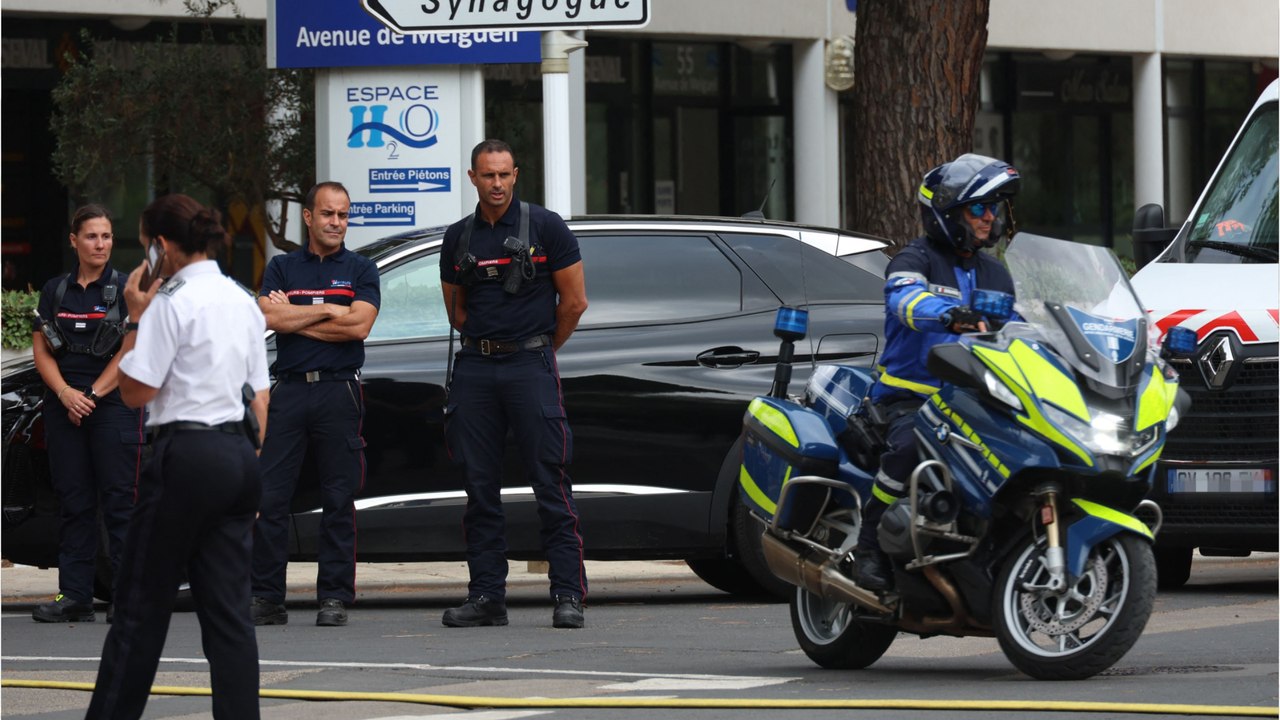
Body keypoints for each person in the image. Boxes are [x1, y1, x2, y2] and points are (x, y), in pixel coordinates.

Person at [86, 194, 269, 719]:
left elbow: (136, 392)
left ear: (160, 245)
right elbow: (260, 396)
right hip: (238, 453)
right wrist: (250, 460)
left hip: (186, 453)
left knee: (140, 608)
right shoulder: (241, 298)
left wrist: (136, 318)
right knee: (230, 616)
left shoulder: (171, 299)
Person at [438, 139, 589, 629]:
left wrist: (540, 349)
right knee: (479, 489)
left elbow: (574, 303)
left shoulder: (546, 227)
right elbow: (457, 312)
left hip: (530, 366)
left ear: (516, 174)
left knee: (550, 482)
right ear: (473, 178)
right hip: (477, 370)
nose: (496, 184)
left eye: (504, 175)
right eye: (487, 175)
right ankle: (486, 596)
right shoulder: (458, 237)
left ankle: (568, 594)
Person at [854, 153, 1021, 591]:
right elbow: (904, 301)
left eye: (994, 208)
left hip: (974, 402)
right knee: (910, 446)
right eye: (979, 208)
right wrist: (948, 315)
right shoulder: (915, 259)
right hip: (912, 398)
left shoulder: (996, 274)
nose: (990, 218)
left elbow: (1022, 325)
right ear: (947, 213)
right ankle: (868, 548)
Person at [250, 181, 380, 628]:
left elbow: (359, 328)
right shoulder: (282, 266)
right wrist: (331, 311)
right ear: (309, 217)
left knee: (338, 498)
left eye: (343, 215)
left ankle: (334, 598)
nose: (337, 223)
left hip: (338, 391)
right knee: (271, 497)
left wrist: (297, 318)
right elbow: (267, 316)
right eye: (328, 214)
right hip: (288, 391)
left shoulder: (362, 269)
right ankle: (266, 597)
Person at [30, 204, 144, 623]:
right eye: (92, 236)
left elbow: (131, 350)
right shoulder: (54, 290)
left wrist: (91, 395)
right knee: (73, 503)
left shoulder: (127, 287)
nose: (101, 244)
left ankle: (126, 597)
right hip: (65, 410)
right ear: (74, 241)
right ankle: (74, 597)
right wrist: (64, 394)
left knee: (120, 503)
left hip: (112, 406)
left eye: (108, 236)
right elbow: (41, 349)